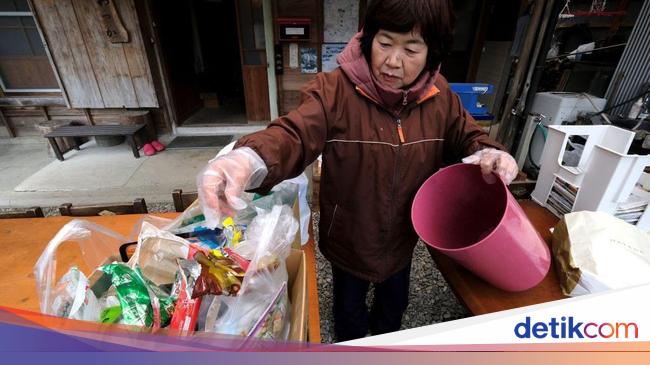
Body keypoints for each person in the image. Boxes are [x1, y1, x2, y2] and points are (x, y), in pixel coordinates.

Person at [198, 0, 518, 342]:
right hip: (348, 240)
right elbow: (293, 133)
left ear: (432, 52)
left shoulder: (442, 98)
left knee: (392, 313)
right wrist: (248, 158)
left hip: (402, 241)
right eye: (384, 43)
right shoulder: (334, 92)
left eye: (411, 49)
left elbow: (468, 135)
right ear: (368, 38)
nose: (393, 61)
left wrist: (491, 153)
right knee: (348, 315)